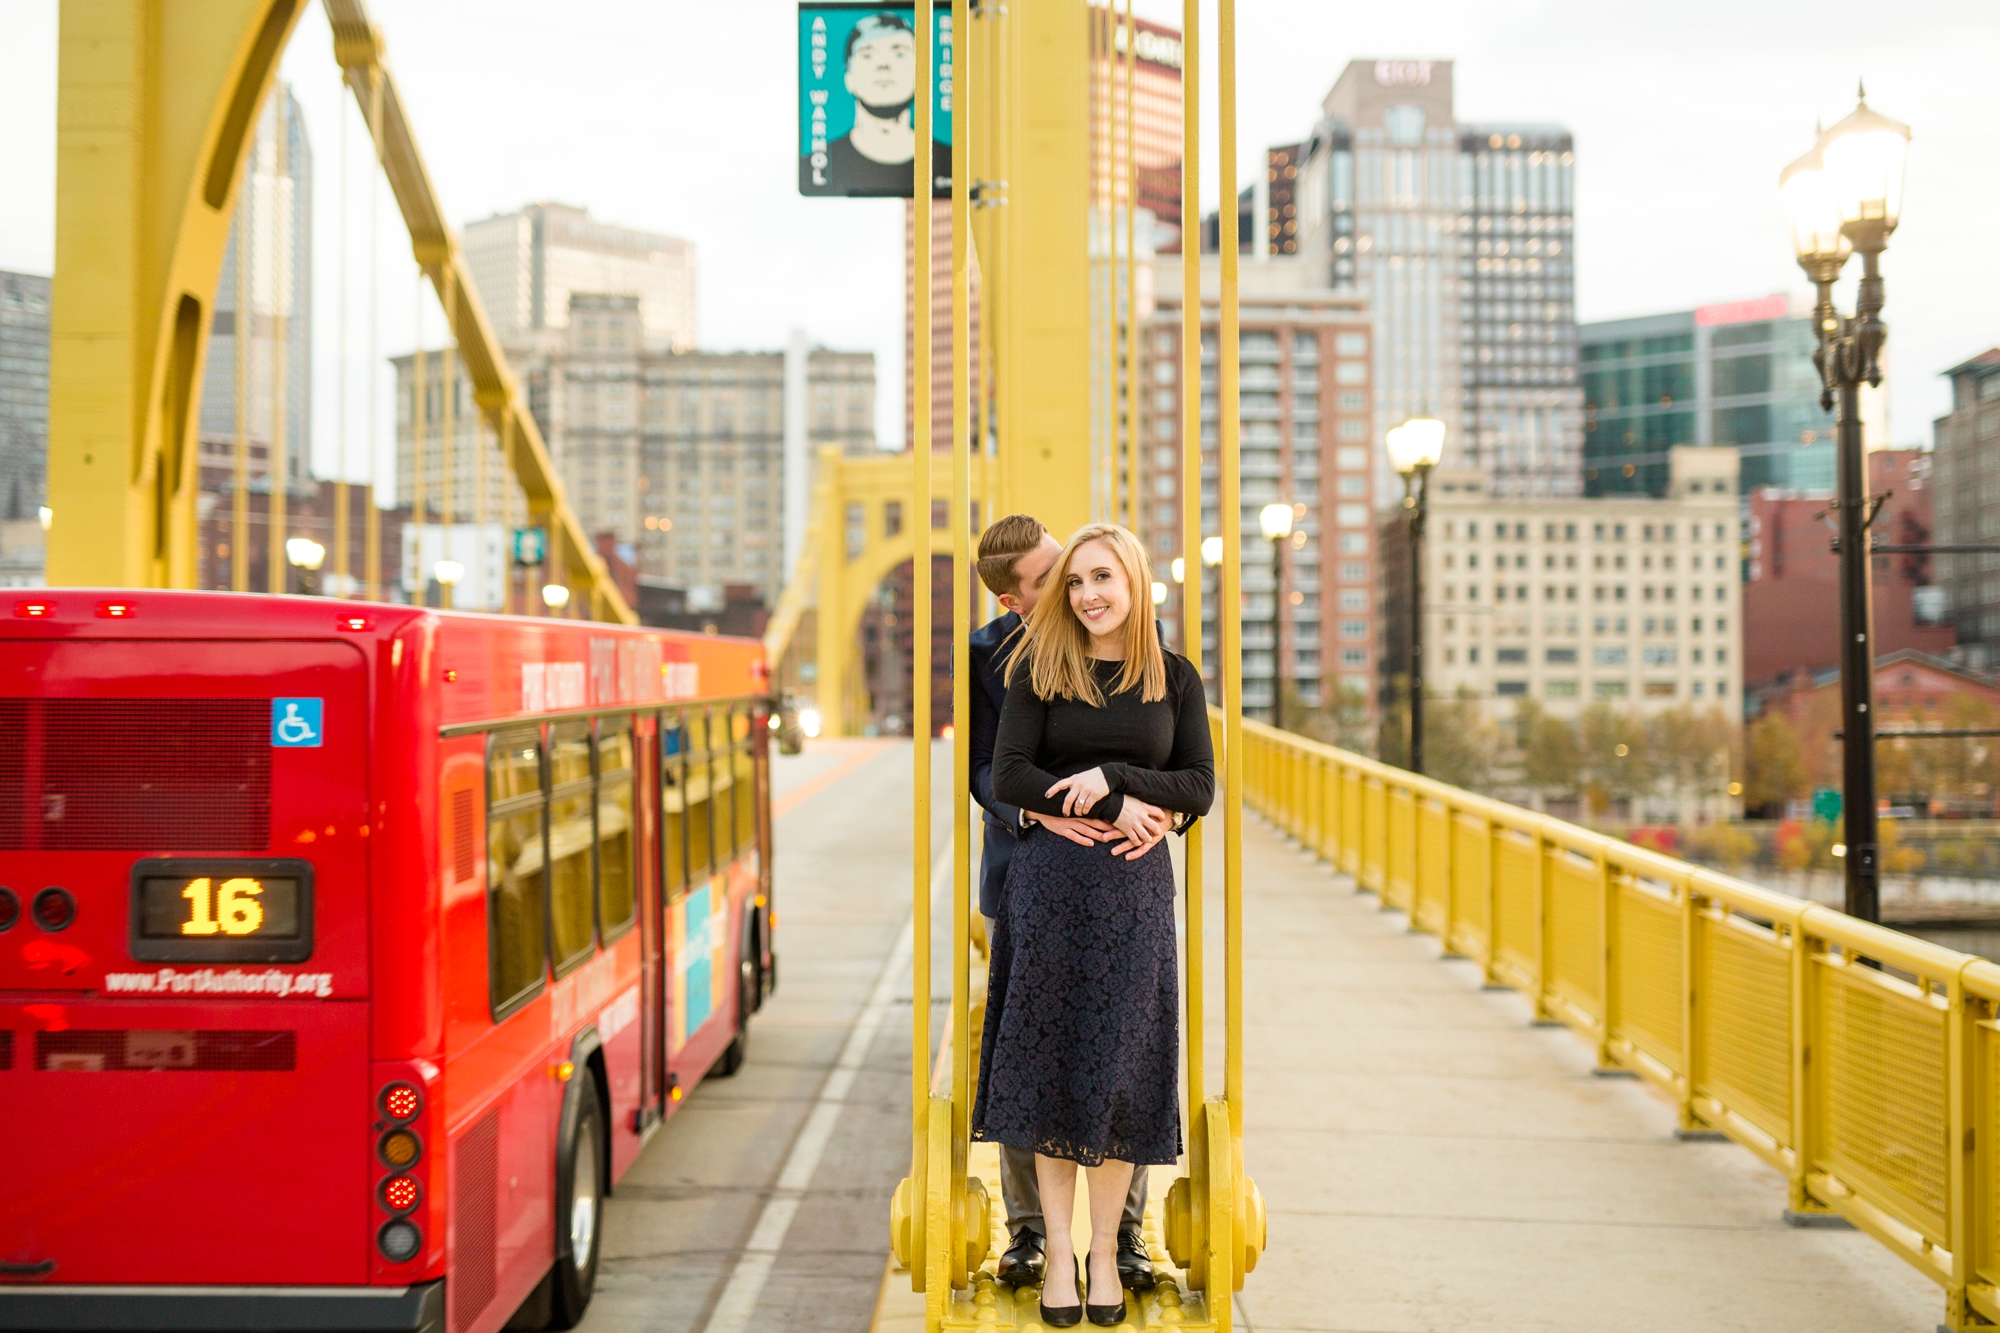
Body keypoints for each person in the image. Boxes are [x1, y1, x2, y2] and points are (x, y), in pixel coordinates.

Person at [977, 523, 1214, 1326]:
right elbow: (1006, 772)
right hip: (1050, 888)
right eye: (1074, 582)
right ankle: (1051, 1257)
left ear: (1136, 579)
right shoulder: (1037, 669)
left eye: (1101, 577)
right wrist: (1108, 805)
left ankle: (1108, 1254)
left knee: (1120, 1074)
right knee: (1051, 1068)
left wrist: (1115, 777)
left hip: (1136, 893)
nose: (1087, 595)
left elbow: (1199, 784)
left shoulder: (1174, 676)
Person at [798, 12, 952, 197]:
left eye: (899, 54)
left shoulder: (954, 164)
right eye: (868, 55)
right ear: (849, 77)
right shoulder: (819, 165)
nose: (884, 65)